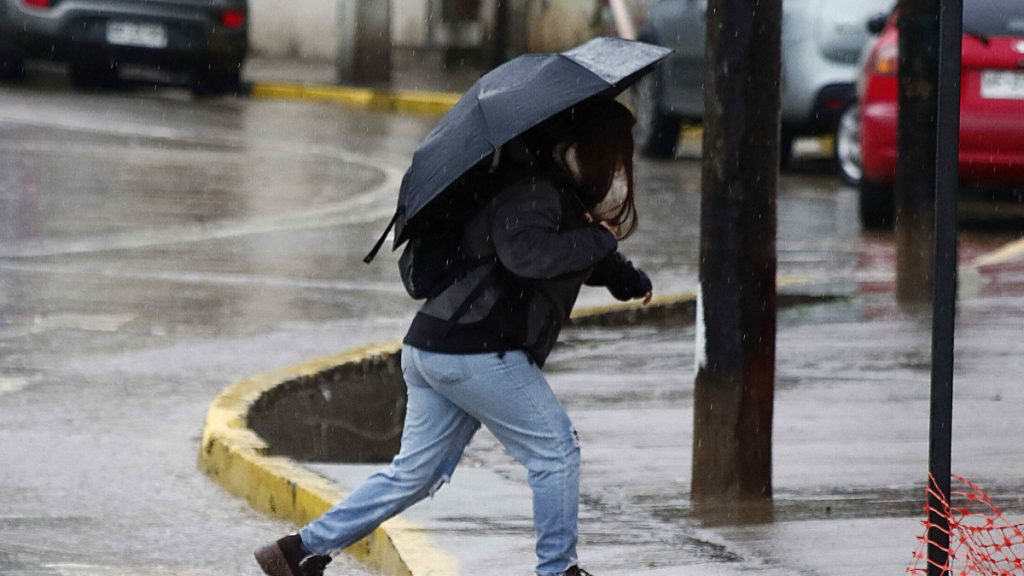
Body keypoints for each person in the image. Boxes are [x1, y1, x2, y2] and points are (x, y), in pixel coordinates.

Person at [254, 98, 653, 576]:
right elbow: (529, 255)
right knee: (555, 451)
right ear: (593, 149)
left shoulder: (548, 188)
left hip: (435, 345)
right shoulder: (533, 189)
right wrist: (602, 241)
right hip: (477, 348)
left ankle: (298, 551)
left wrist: (627, 279)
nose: (616, 169)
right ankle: (557, 571)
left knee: (413, 476)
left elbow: (574, 248)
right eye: (615, 155)